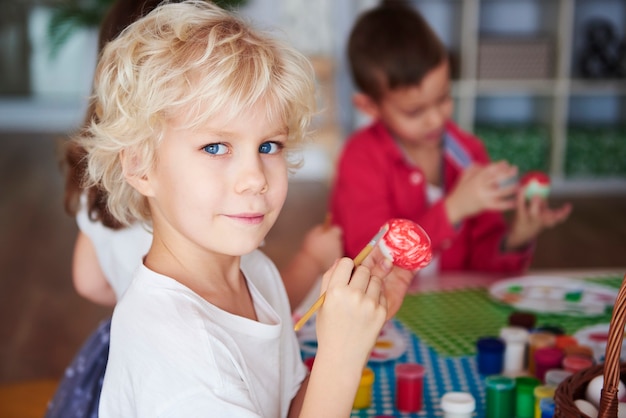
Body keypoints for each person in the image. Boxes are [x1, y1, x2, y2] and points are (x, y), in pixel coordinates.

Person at [73, 1, 412, 415]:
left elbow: (290, 408)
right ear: (140, 165)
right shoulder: (178, 356)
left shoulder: (256, 273)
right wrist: (342, 353)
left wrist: (350, 339)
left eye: (269, 146)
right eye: (215, 147)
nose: (255, 177)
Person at [330, 1, 572, 276]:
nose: (435, 119)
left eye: (443, 98)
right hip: (380, 311)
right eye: (414, 111)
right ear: (369, 107)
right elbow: (370, 257)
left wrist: (516, 238)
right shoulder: (360, 157)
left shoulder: (469, 152)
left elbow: (484, 263)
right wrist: (452, 210)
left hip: (451, 307)